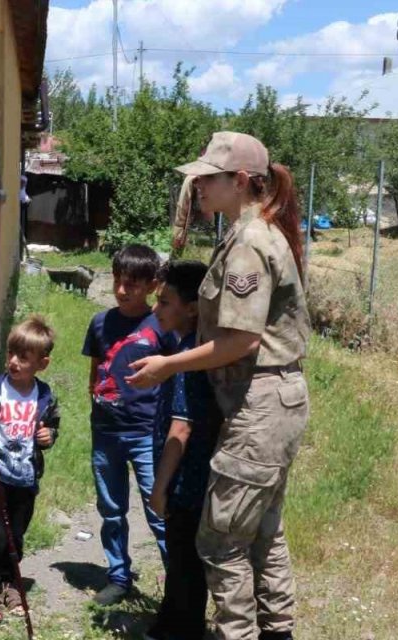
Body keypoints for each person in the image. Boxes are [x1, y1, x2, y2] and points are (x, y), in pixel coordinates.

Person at [128, 131, 310, 640]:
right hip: (269, 404)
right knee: (262, 534)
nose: (199, 185)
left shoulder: (251, 242)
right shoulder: (248, 232)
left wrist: (168, 365)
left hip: (260, 407)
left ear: (242, 181)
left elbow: (240, 341)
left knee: (221, 541)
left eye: (209, 177)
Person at [81, 243, 169, 605]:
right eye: (117, 280)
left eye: (131, 284)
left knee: (159, 509)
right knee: (111, 509)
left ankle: (178, 582)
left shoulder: (162, 326)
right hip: (106, 433)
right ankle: (118, 576)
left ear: (151, 285)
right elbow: (95, 370)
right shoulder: (100, 322)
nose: (121, 290)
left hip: (147, 433)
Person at [0, 315, 60, 624]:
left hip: (25, 479)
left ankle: (10, 584)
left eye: (23, 357)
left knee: (16, 534)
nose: (13, 362)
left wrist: (49, 437)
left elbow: (52, 426)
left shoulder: (44, 396)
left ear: (41, 364)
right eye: (11, 354)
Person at [144, 260, 220, 640]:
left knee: (185, 562)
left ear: (191, 307)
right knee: (180, 561)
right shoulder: (191, 348)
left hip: (186, 481)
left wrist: (159, 488)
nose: (155, 309)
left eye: (165, 302)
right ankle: (168, 624)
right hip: (189, 480)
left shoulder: (188, 355)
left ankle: (182, 629)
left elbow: (181, 426)